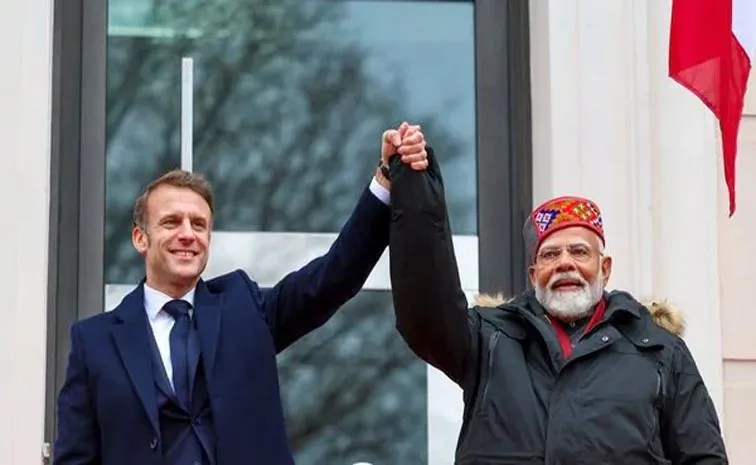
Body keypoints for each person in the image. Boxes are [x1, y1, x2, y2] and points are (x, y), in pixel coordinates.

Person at [52, 122, 429, 465]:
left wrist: (385, 180)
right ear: (140, 238)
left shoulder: (245, 308)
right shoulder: (94, 341)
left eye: (199, 224)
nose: (188, 234)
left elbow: (334, 276)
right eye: (171, 222)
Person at [385, 137, 729, 464]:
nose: (565, 263)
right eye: (550, 255)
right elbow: (426, 309)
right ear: (534, 275)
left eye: (579, 252)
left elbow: (703, 456)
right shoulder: (487, 341)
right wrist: (416, 189)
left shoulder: (660, 352)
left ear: (604, 269)